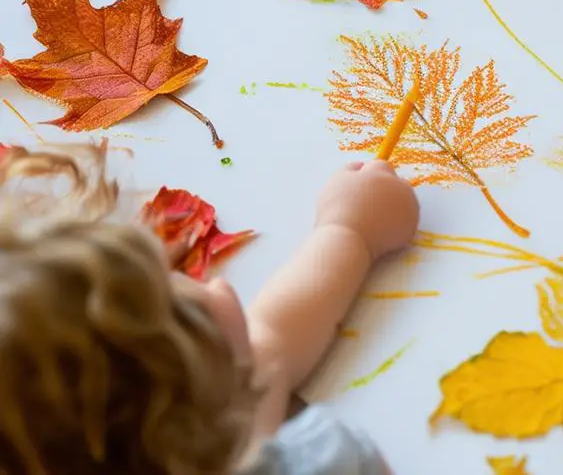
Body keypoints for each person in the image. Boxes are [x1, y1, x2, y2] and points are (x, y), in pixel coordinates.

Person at [0, 143, 418, 474]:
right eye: (168, 286)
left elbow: (266, 348)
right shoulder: (325, 463)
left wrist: (348, 231)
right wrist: (349, 230)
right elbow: (259, 361)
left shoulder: (172, 443)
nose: (200, 279)